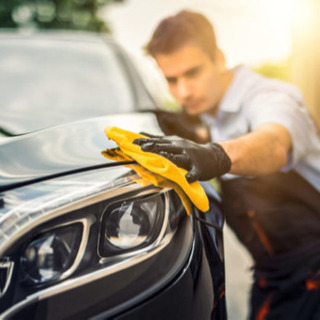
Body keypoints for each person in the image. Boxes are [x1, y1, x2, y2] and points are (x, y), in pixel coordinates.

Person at [134, 10, 320, 320]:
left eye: (192, 73)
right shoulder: (208, 116)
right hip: (272, 278)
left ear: (219, 58)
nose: (183, 92)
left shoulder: (269, 96)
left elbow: (273, 142)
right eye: (171, 80)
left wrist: (216, 155)